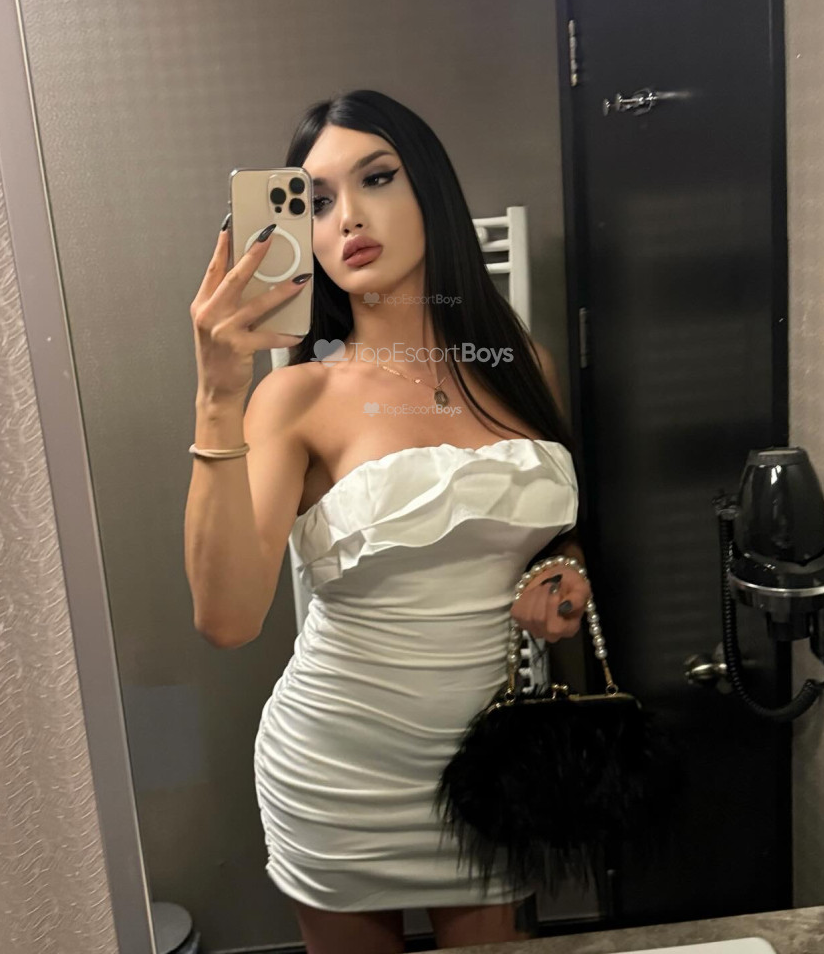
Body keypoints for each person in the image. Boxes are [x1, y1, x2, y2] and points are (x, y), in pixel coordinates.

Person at [185, 89, 589, 954]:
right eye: (316, 200)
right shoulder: (296, 398)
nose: (347, 218)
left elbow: (545, 530)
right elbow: (227, 620)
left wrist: (566, 570)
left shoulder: (522, 366)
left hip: (489, 768)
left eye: (376, 177)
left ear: (430, 190)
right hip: (340, 773)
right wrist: (218, 395)